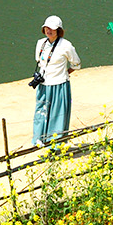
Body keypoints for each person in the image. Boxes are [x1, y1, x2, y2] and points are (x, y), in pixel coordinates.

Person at [31, 15, 80, 146]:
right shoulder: (40, 43)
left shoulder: (66, 45)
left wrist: (65, 73)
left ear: (59, 30)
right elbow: (39, 62)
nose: (49, 30)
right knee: (41, 111)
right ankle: (39, 140)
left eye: (52, 28)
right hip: (43, 85)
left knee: (58, 114)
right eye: (46, 27)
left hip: (60, 85)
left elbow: (76, 64)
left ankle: (56, 144)